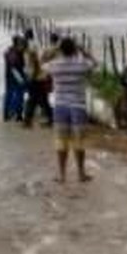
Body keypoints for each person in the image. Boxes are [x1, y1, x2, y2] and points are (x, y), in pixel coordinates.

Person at [43, 37, 96, 183]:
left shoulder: (55, 65)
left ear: (61, 50)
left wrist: (55, 49)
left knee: (61, 142)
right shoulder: (81, 64)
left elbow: (42, 61)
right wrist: (83, 50)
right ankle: (81, 173)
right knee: (79, 142)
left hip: (60, 106)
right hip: (78, 106)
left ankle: (62, 175)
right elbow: (95, 63)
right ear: (74, 49)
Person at [23, 29, 52, 127]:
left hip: (35, 77)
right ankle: (49, 118)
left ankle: (27, 120)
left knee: (32, 99)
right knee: (42, 99)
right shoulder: (34, 45)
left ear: (27, 36)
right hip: (39, 76)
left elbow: (35, 62)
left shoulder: (30, 47)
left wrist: (32, 76)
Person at [3, 35, 26, 121]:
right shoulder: (20, 52)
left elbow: (8, 63)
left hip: (8, 75)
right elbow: (23, 65)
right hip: (18, 76)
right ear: (18, 42)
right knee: (19, 95)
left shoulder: (7, 51)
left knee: (8, 95)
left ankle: (5, 115)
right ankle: (18, 115)